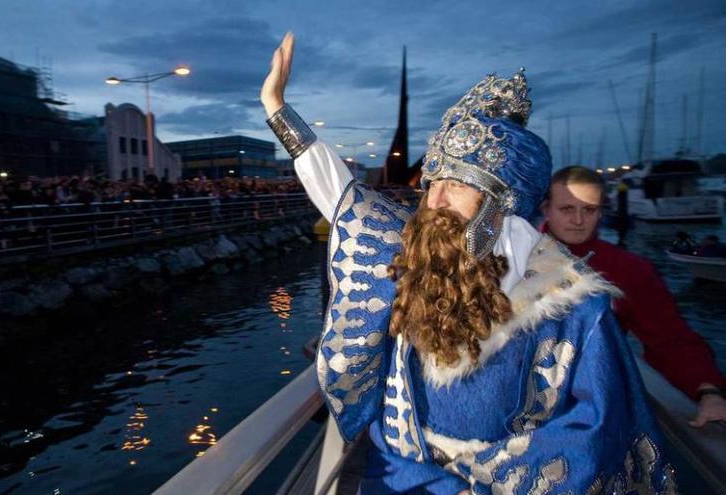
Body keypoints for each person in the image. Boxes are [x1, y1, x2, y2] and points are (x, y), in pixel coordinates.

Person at [262, 33, 677, 494]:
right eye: (433, 182)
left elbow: (596, 426)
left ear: (501, 204)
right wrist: (278, 108)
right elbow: (342, 198)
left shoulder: (573, 305)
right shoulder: (414, 256)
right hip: (400, 475)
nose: (433, 200)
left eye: (455, 185)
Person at [541, 166, 726, 427]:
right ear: (546, 209)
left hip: (590, 409)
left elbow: (671, 339)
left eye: (589, 210)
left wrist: (708, 391)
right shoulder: (514, 260)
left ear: (602, 212)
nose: (579, 220)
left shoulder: (630, 270)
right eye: (567, 209)